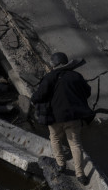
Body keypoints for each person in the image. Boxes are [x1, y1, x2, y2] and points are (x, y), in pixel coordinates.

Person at [31, 52, 95, 180]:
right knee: (75, 144)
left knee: (55, 139)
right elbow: (87, 92)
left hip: (55, 117)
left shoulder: (49, 77)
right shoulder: (76, 76)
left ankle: (61, 164)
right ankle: (80, 174)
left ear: (53, 64)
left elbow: (38, 96)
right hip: (73, 116)